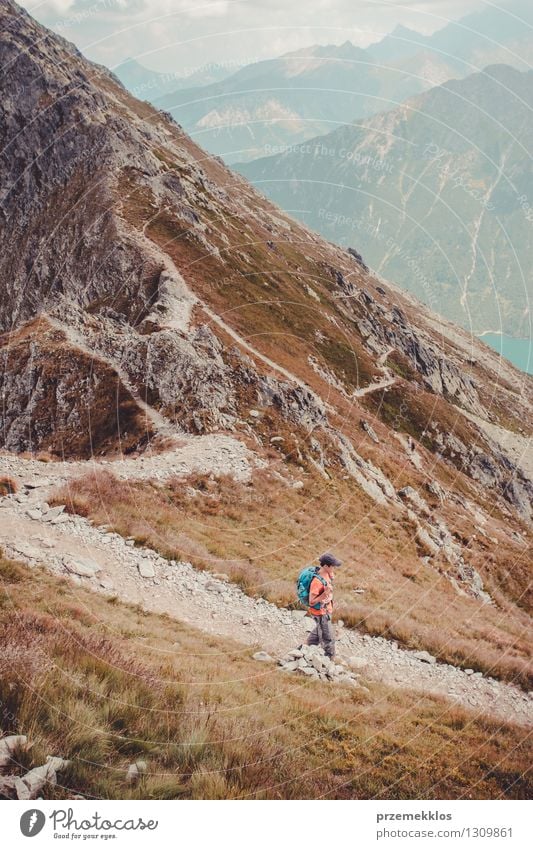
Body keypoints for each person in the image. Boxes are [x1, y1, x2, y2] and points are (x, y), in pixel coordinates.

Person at [307, 552, 342, 659]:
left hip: (326, 610)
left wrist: (331, 577)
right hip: (321, 613)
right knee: (329, 638)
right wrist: (324, 595)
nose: (335, 568)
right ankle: (330, 660)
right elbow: (311, 602)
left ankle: (306, 649)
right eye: (333, 566)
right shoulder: (317, 582)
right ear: (326, 566)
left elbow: (330, 578)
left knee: (319, 630)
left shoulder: (327, 573)